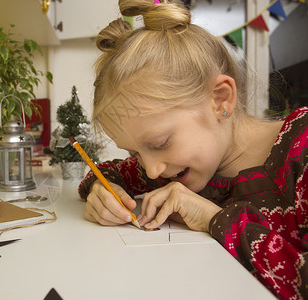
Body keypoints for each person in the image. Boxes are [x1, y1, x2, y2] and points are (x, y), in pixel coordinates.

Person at [77, 0, 308, 299]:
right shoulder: (171, 168)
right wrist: (103, 190)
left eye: (160, 143)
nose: (150, 170)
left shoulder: (301, 149)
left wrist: (215, 219)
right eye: (135, 153)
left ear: (221, 99)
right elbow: (105, 173)